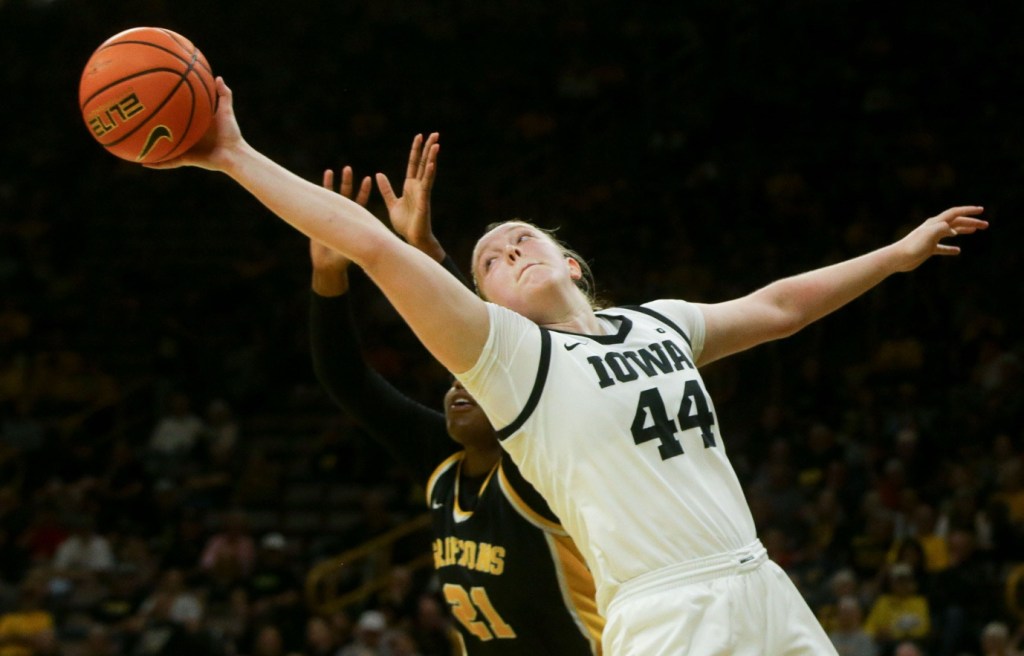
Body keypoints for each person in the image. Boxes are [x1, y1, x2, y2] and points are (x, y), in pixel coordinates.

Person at [151, 76, 988, 655]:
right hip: (663, 612)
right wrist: (232, 154)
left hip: (761, 579)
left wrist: (895, 254)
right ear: (487, 305)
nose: (509, 249)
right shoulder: (515, 362)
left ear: (572, 262)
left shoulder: (657, 321)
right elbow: (370, 246)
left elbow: (779, 308)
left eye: (522, 239)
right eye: (488, 261)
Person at [308, 138, 603, 654]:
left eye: (474, 382)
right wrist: (328, 276)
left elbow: (489, 348)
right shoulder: (442, 464)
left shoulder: (538, 463)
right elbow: (349, 382)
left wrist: (426, 252)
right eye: (452, 382)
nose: (457, 388)